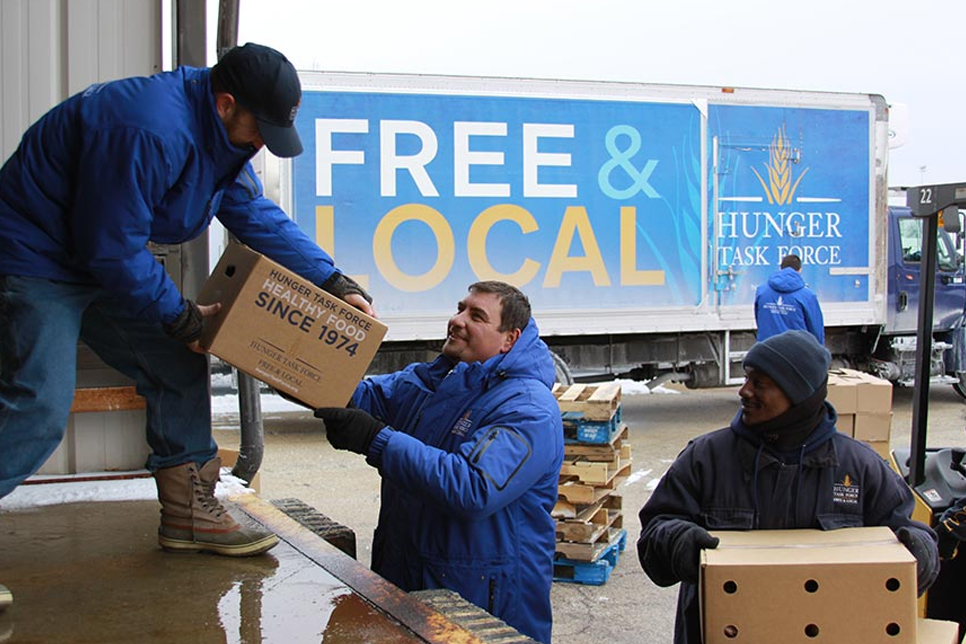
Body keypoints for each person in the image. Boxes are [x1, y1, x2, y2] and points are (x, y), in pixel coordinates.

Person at [0, 41, 376, 584]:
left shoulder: (221, 136)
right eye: (258, 129)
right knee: (38, 404)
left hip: (97, 257)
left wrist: (328, 278)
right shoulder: (149, 129)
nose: (260, 144)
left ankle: (190, 517)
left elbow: (249, 211)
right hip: (37, 258)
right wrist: (180, 315)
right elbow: (110, 246)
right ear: (226, 103)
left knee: (176, 363)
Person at [636, 330, 939, 644]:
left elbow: (911, 533)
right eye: (747, 379)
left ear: (799, 396)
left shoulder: (860, 468)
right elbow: (655, 533)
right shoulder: (706, 458)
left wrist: (918, 551)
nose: (744, 391)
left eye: (760, 384)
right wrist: (678, 544)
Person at [314, 281, 564, 644]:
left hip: (480, 605)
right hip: (411, 584)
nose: (457, 320)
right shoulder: (437, 380)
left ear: (509, 339)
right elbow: (360, 397)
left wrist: (374, 439)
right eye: (460, 308)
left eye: (476, 316)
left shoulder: (528, 408)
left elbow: (474, 487)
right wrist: (302, 363)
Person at [754, 254, 825, 343]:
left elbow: (760, 321)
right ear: (800, 270)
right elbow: (816, 327)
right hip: (796, 351)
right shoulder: (807, 296)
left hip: (767, 349)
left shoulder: (762, 291)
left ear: (781, 268)